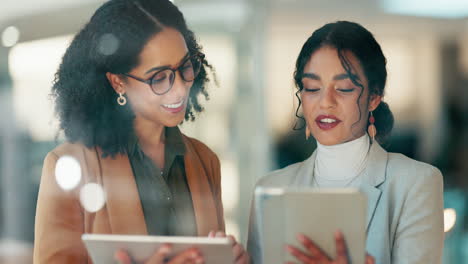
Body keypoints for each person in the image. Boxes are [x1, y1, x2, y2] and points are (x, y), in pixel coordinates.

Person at [33, 0, 249, 263]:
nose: (180, 89)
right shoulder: (68, 167)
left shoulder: (206, 161)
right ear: (118, 82)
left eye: (185, 67)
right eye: (159, 77)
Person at [247, 21, 444, 264]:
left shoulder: (415, 183)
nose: (325, 102)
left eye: (343, 88)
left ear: (373, 97)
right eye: (312, 87)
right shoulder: (271, 188)